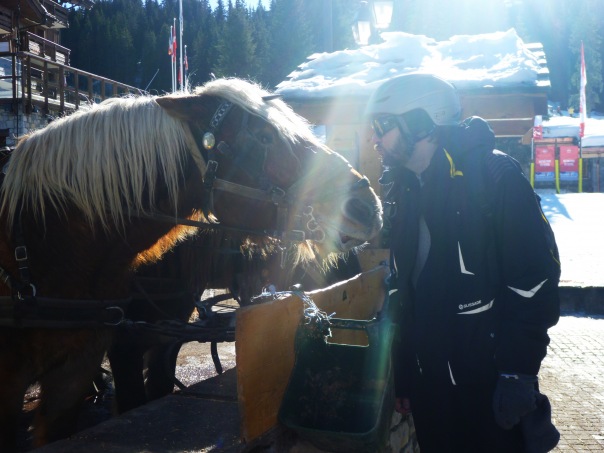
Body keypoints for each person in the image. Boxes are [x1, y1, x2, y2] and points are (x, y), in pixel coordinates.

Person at [366, 73, 561, 452]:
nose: (374, 138)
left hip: (489, 392)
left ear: (421, 123)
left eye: (382, 125)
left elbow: (534, 281)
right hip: (432, 394)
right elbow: (405, 290)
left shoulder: (495, 177)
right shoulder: (403, 189)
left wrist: (517, 374)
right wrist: (406, 373)